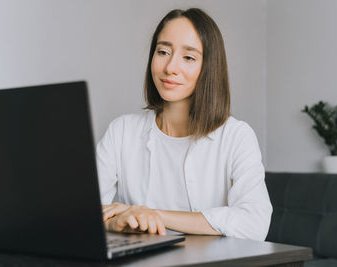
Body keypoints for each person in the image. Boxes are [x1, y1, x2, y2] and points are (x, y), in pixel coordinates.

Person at [96, 8, 272, 240]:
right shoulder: (122, 131)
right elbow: (82, 213)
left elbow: (254, 224)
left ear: (209, 68)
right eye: (163, 52)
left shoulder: (236, 136)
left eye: (188, 57)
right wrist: (115, 224)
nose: (170, 68)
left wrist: (153, 215)